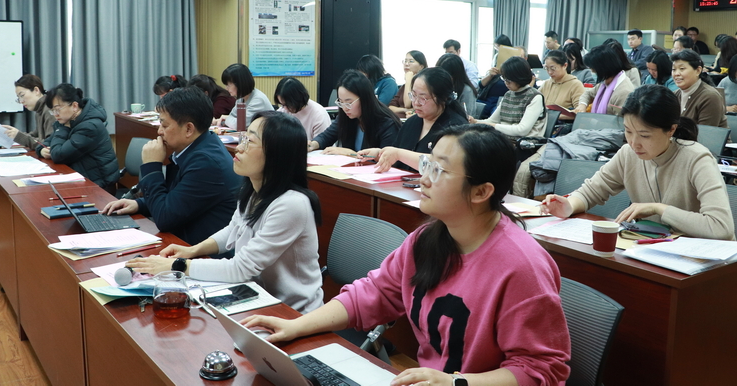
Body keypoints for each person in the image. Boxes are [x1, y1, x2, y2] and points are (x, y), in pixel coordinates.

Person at [244, 124, 571, 385]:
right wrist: (297, 326)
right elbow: (373, 294)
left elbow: (541, 369)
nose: (423, 179)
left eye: (438, 171)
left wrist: (456, 382)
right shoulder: (427, 239)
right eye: (427, 164)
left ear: (481, 192)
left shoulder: (522, 266)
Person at [125, 112, 324, 313]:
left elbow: (240, 269)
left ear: (277, 155)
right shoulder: (254, 189)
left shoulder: (291, 204)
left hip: (293, 312)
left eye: (250, 141)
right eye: (243, 138)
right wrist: (194, 250)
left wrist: (177, 265)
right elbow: (233, 230)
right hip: (257, 298)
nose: (239, 147)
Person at [542, 85, 734, 240]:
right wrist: (569, 205)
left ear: (671, 130)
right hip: (654, 250)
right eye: (628, 131)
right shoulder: (628, 154)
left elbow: (721, 227)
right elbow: (592, 191)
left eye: (644, 135)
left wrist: (658, 208)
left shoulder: (697, 159)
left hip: (706, 263)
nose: (634, 143)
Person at [103, 87, 239, 245]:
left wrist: (152, 165)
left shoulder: (206, 163)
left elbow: (164, 218)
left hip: (200, 251)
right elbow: (179, 199)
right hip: (184, 240)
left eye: (165, 125)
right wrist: (139, 204)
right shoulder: (201, 145)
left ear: (188, 129)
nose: (159, 132)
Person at [360, 68, 468, 172]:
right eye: (413, 95)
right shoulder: (412, 122)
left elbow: (443, 165)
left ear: (443, 98)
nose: (416, 103)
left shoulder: (456, 127)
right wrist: (380, 154)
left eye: (422, 98)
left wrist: (398, 154)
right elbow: (397, 155)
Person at [41, 84, 119, 189]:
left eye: (57, 109)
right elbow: (45, 143)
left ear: (74, 106)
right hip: (81, 177)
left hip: (99, 186)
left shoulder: (89, 127)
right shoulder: (69, 121)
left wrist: (62, 129)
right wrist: (42, 150)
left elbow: (58, 155)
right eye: (52, 110)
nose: (55, 114)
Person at [309, 70, 401, 155]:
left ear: (365, 99)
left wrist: (352, 154)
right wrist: (312, 145)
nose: (345, 108)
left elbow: (388, 160)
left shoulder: (387, 123)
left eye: (349, 103)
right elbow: (326, 136)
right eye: (341, 102)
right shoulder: (347, 116)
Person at [472, 56, 546, 142]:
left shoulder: (535, 97)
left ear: (519, 78)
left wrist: (493, 126)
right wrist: (474, 122)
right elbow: (492, 120)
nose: (506, 83)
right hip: (505, 140)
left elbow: (522, 130)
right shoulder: (508, 94)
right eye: (504, 79)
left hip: (525, 143)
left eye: (509, 80)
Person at [671, 49, 728, 128]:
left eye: (682, 69)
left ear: (698, 70)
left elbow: (705, 133)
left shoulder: (710, 96)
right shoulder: (674, 95)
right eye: (674, 69)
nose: (676, 73)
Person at [574, 45, 635, 115]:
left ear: (603, 68)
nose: (592, 72)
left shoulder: (624, 92)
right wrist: (582, 105)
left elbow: (621, 120)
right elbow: (588, 93)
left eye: (593, 69)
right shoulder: (605, 82)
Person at [2, 74, 54, 150]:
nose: (21, 101)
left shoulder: (50, 110)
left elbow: (49, 143)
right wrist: (14, 136)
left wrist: (19, 136)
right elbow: (35, 135)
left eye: (22, 95)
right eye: (19, 98)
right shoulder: (40, 110)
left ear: (36, 90)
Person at [216, 63, 274, 129]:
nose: (226, 88)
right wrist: (227, 119)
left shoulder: (258, 100)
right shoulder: (241, 98)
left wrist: (227, 119)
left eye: (228, 85)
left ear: (239, 83)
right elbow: (232, 117)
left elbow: (240, 125)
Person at [539, 50, 585, 119]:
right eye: (547, 68)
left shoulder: (575, 84)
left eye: (553, 68)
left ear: (565, 65)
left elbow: (579, 113)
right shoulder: (546, 83)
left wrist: (553, 117)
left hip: (562, 123)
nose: (550, 72)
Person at [389, 50, 428, 118]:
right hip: (400, 120)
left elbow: (407, 104)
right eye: (405, 61)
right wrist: (406, 110)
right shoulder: (404, 86)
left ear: (421, 67)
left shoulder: (424, 85)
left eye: (411, 61)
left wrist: (409, 80)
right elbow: (391, 107)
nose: (406, 64)